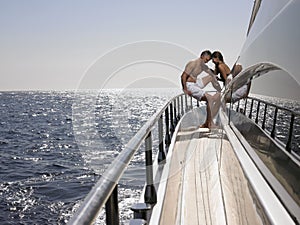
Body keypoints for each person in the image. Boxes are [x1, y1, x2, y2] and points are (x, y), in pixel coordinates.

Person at [181, 50, 221, 128]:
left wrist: (217, 70)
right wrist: (185, 89)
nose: (206, 62)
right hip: (190, 85)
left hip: (196, 83)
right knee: (210, 99)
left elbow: (211, 72)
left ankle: (221, 91)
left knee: (211, 77)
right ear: (202, 56)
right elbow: (183, 76)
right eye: (206, 60)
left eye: (208, 61)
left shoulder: (203, 66)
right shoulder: (192, 63)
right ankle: (209, 123)